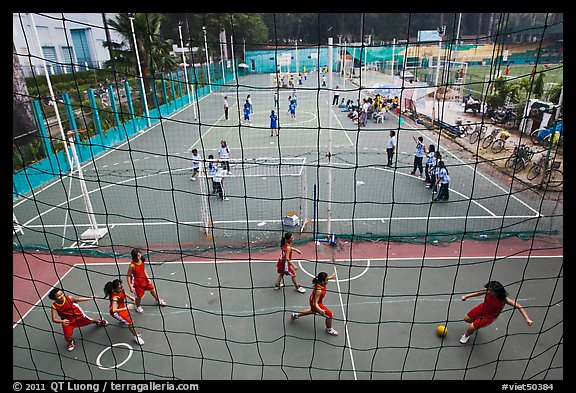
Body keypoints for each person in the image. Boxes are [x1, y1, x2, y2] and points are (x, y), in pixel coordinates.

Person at [459, 280, 533, 344]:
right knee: (466, 319)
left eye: (491, 290)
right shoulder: (488, 292)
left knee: (471, 327)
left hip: (488, 317)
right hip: (480, 309)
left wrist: (527, 319)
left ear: (497, 292)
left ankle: (466, 336)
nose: (489, 291)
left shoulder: (504, 300)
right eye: (488, 289)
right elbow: (478, 293)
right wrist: (466, 296)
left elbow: (519, 306)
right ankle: (476, 324)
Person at [48, 287, 108, 352]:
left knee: (90, 321)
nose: (62, 296)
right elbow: (54, 319)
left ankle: (99, 321)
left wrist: (90, 298)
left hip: (78, 316)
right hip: (67, 322)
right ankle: (71, 342)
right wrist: (62, 321)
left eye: (62, 294)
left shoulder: (69, 298)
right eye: (59, 296)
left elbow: (79, 299)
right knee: (67, 337)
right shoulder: (54, 306)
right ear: (54, 298)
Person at [291, 271, 339, 336]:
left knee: (312, 311)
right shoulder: (319, 290)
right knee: (330, 315)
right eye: (327, 280)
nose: (328, 281)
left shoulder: (320, 282)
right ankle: (329, 329)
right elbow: (315, 303)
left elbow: (324, 279)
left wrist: (332, 277)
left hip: (313, 300)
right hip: (316, 303)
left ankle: (296, 315)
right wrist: (320, 310)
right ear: (322, 282)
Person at [104, 279, 145, 345]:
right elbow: (114, 310)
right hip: (116, 312)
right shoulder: (115, 298)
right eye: (120, 287)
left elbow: (124, 293)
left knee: (128, 321)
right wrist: (127, 308)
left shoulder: (121, 289)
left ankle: (123, 321)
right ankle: (136, 337)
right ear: (115, 289)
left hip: (122, 308)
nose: (122, 287)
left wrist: (130, 297)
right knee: (130, 322)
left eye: (121, 285)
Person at [126, 248, 167, 314]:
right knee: (138, 297)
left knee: (152, 289)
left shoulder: (142, 260)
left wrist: (147, 277)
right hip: (137, 283)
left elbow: (143, 269)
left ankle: (158, 299)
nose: (139, 257)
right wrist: (130, 286)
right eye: (137, 256)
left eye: (139, 255)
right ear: (134, 257)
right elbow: (128, 276)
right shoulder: (132, 265)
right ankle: (138, 306)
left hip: (144, 280)